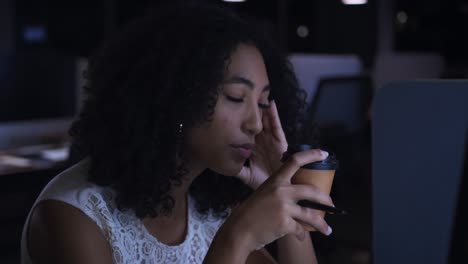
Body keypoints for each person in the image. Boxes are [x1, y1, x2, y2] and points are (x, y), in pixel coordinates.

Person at [21, 2, 334, 263]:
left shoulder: (210, 208)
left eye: (264, 102)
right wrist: (238, 236)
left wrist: (282, 195)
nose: (255, 123)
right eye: (236, 97)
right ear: (177, 98)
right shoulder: (69, 217)